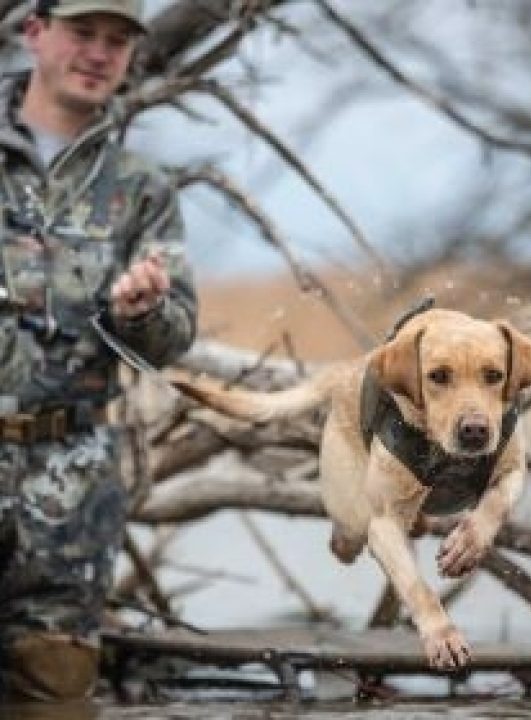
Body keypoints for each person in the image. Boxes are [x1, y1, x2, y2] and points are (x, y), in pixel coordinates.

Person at [0, 0, 196, 701]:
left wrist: (139, 314)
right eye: (82, 32)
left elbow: (171, 341)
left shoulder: (141, 188)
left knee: (54, 690)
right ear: (34, 32)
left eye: (117, 41)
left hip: (73, 490)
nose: (98, 53)